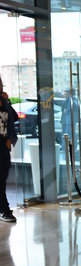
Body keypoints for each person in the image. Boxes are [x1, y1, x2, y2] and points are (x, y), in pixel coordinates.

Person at [0, 75, 19, 223]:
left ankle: (3, 208)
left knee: (4, 175)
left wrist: (8, 101)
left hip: (4, 144)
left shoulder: (4, 101)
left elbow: (14, 117)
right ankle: (4, 209)